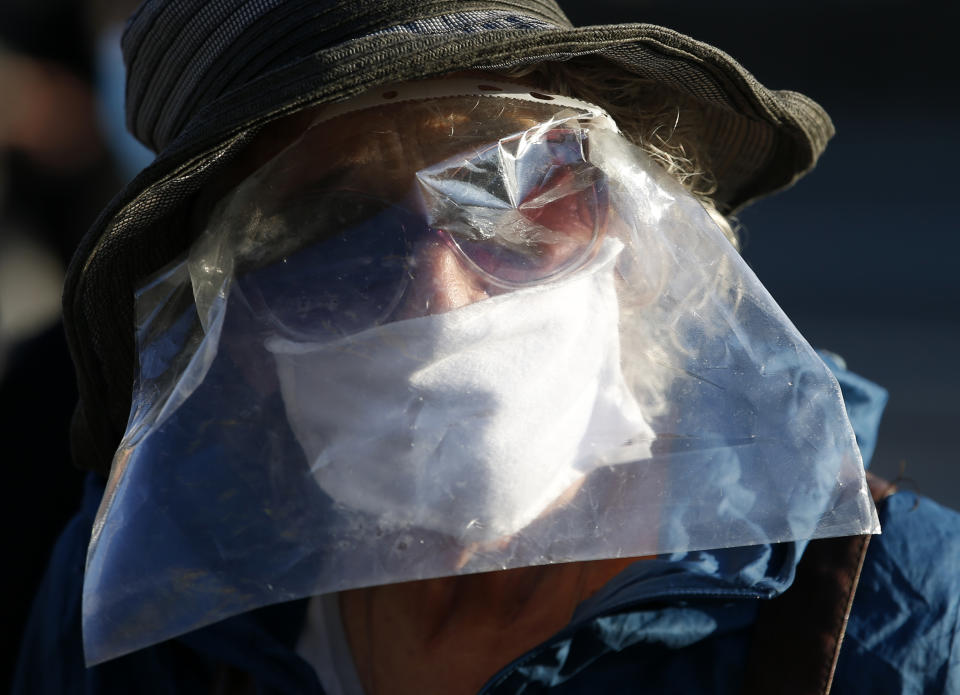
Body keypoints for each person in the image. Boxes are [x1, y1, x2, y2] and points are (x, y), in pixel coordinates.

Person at [13, 2, 960, 694]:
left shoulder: (886, 614)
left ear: (628, 219)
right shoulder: (159, 618)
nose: (441, 288)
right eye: (331, 231)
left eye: (515, 189)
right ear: (233, 321)